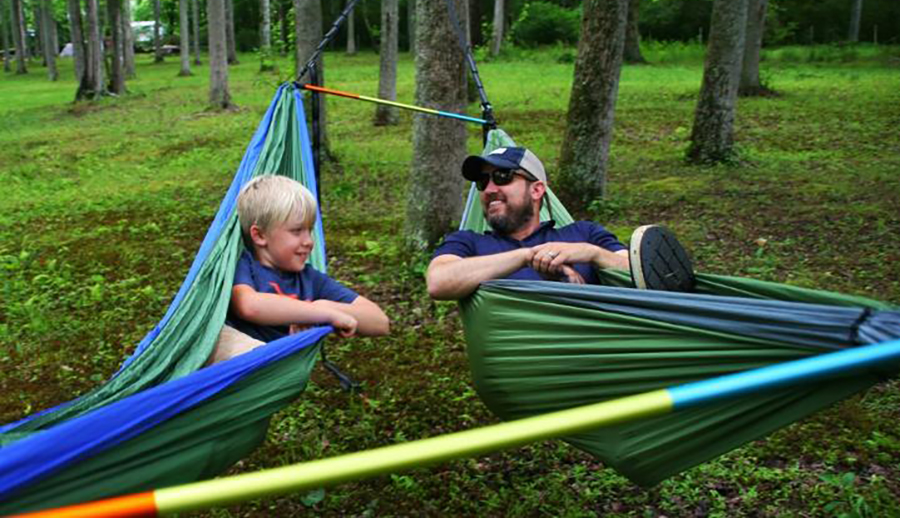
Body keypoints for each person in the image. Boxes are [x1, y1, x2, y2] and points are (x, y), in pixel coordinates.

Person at [426, 146, 694, 300]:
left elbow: (645, 273)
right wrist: (526, 256)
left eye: (503, 176)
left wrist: (592, 253)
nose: (489, 188)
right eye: (483, 182)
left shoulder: (584, 233)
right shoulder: (468, 242)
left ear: (537, 190)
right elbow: (438, 282)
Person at [208, 174, 389, 363]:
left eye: (310, 230)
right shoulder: (243, 265)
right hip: (236, 367)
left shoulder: (310, 280)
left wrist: (325, 306)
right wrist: (322, 314)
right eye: (296, 231)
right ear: (260, 235)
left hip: (278, 373)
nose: (309, 242)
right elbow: (249, 306)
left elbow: (380, 322)